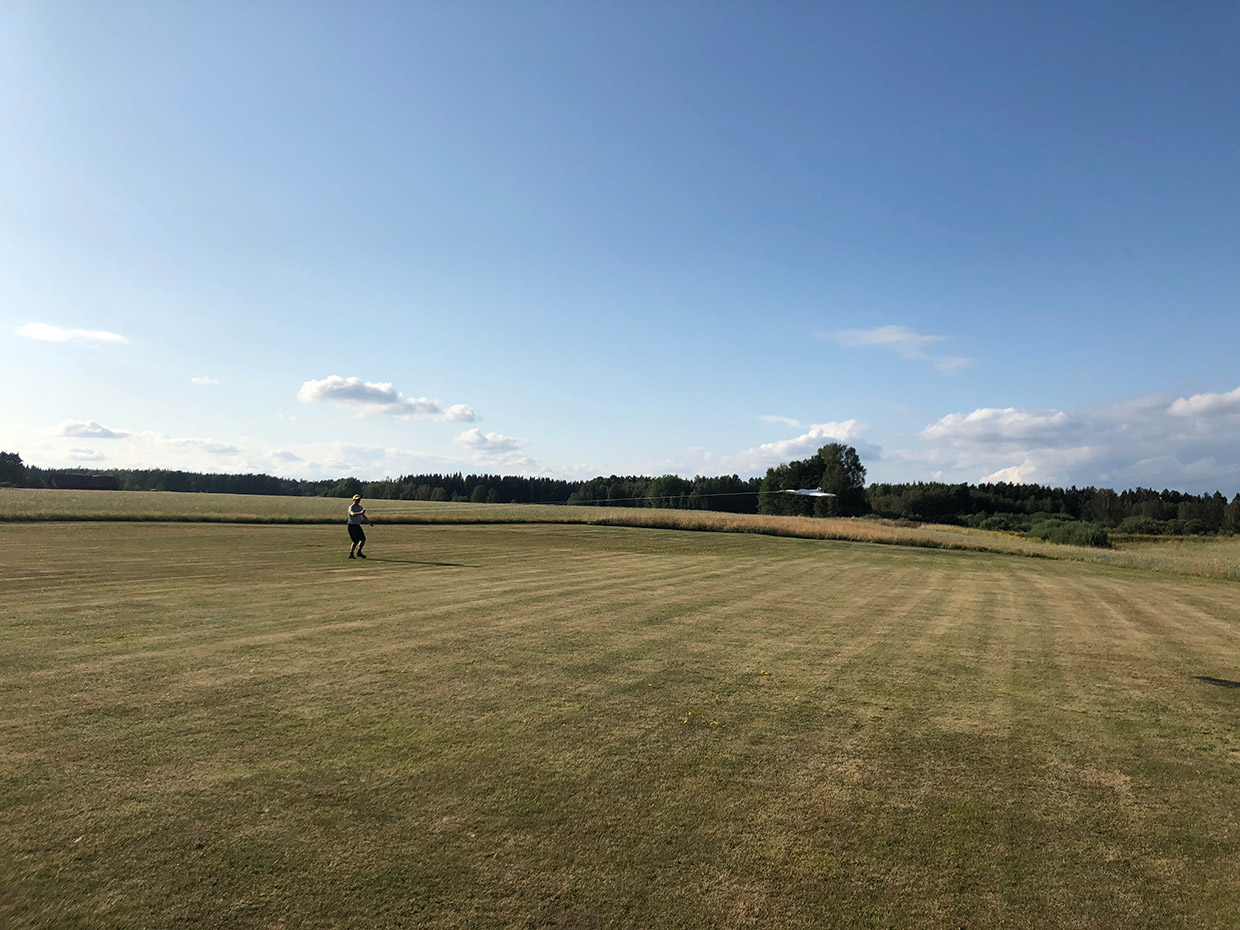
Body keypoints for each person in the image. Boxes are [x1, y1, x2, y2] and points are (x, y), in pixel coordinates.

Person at [347, 494, 374, 559]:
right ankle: (351, 554)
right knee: (355, 541)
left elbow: (363, 516)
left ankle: (359, 552)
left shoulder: (360, 507)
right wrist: (361, 513)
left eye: (358, 500)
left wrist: (369, 522)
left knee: (363, 539)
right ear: (353, 500)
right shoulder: (351, 507)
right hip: (352, 526)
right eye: (356, 500)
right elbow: (353, 514)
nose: (357, 501)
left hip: (357, 525)